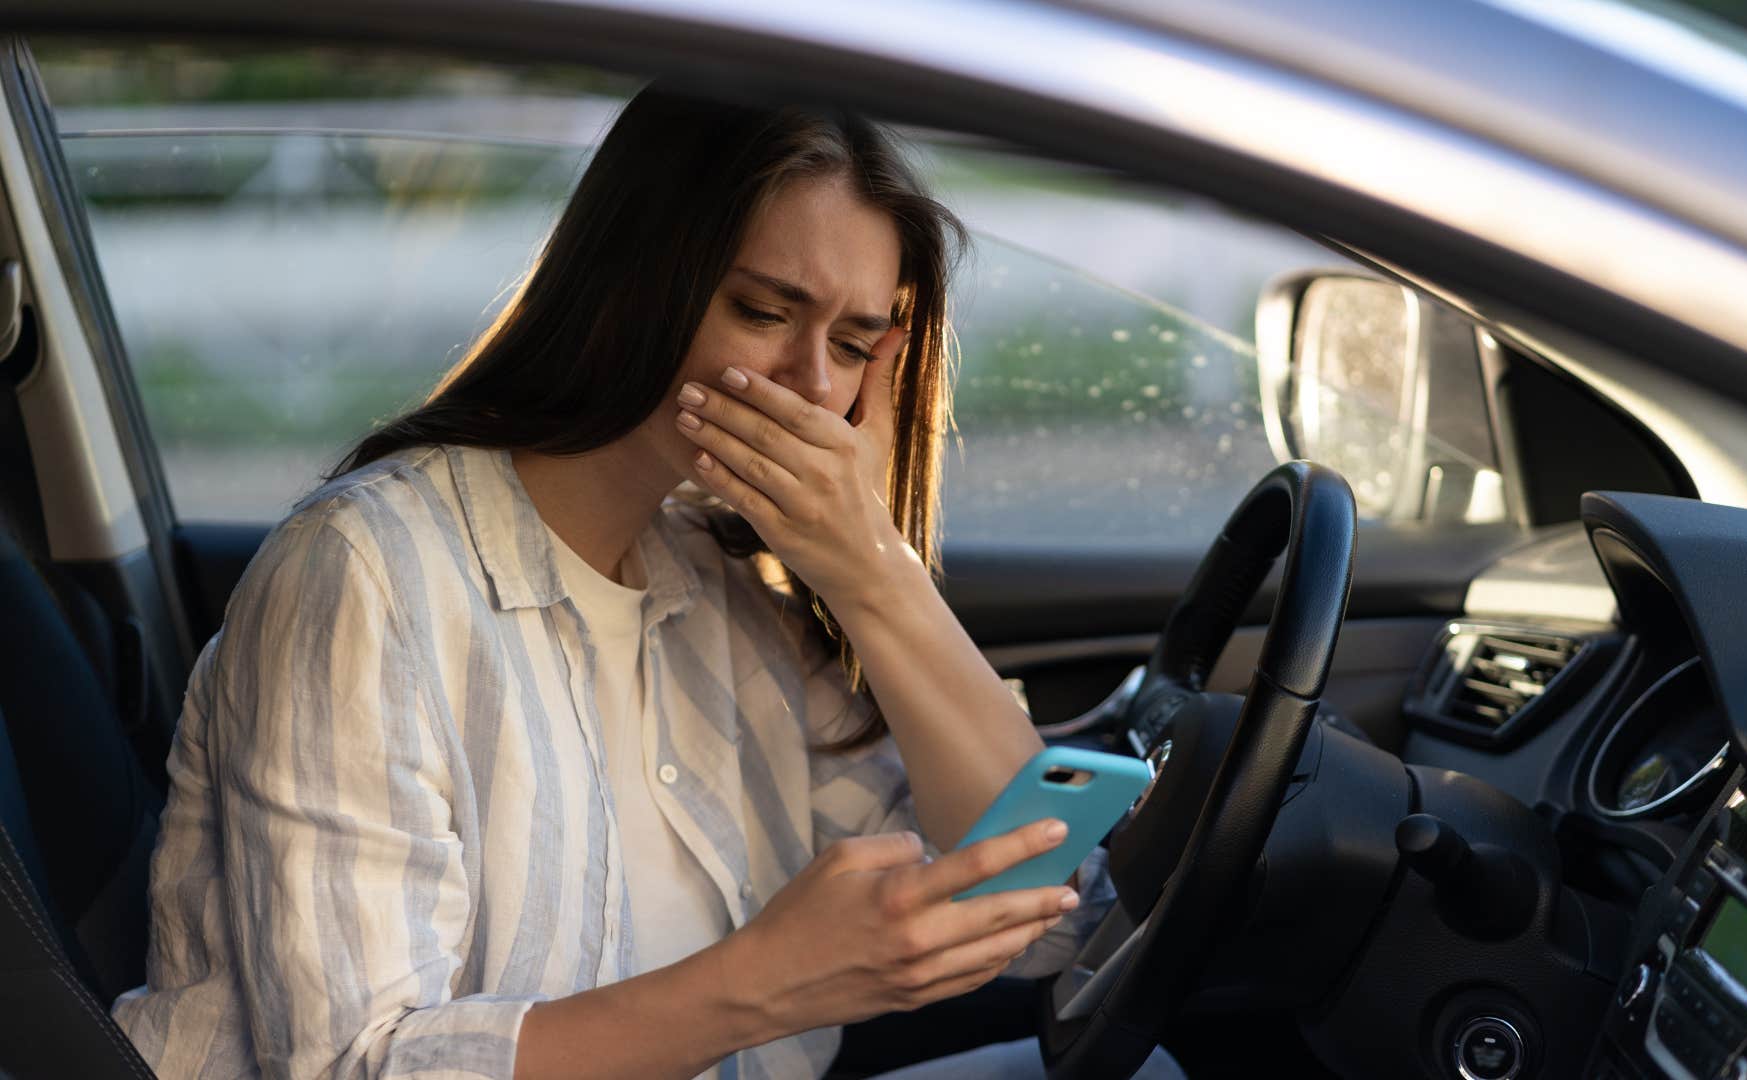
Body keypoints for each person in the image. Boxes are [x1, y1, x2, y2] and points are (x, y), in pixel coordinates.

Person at [111, 85, 1184, 1079]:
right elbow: (359, 1065)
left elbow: (1041, 918)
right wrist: (766, 984)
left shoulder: (718, 587)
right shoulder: (367, 575)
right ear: (633, 286)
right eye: (765, 313)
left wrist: (875, 573)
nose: (813, 385)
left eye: (854, 343)